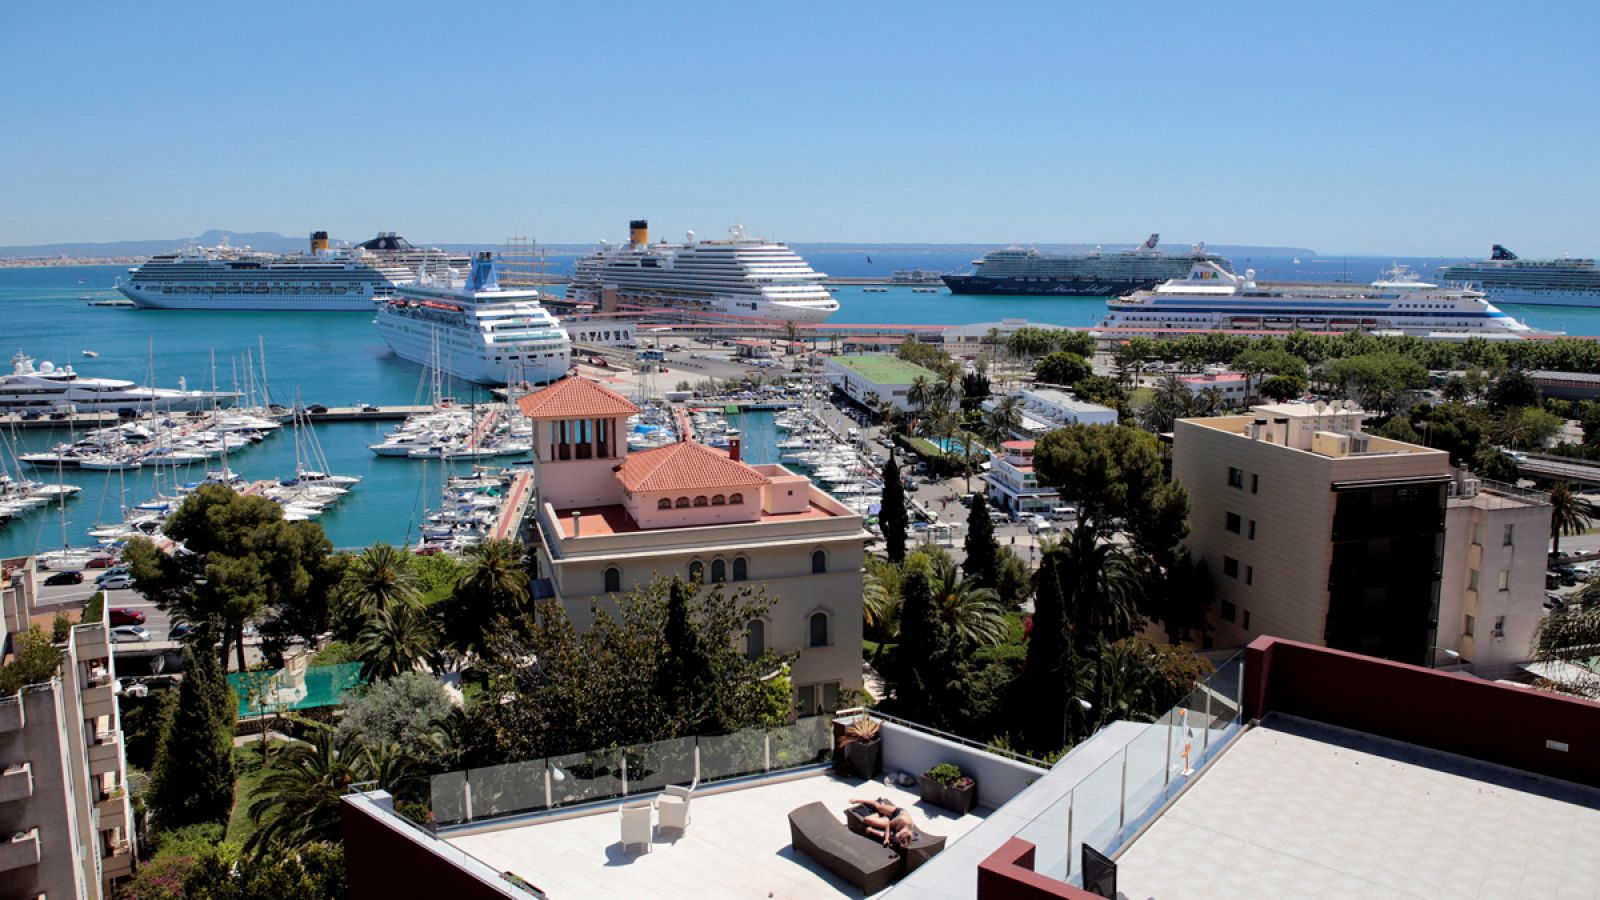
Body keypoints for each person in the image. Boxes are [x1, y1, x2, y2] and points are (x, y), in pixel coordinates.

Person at [848, 797, 917, 848]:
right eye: (897, 837)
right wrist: (886, 838)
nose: (896, 838)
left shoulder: (905, 837)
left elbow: (885, 835)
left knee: (867, 819)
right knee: (879, 807)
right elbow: (889, 825)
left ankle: (882, 815)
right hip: (896, 813)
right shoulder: (904, 820)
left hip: (892, 822)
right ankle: (860, 800)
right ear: (901, 833)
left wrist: (872, 831)